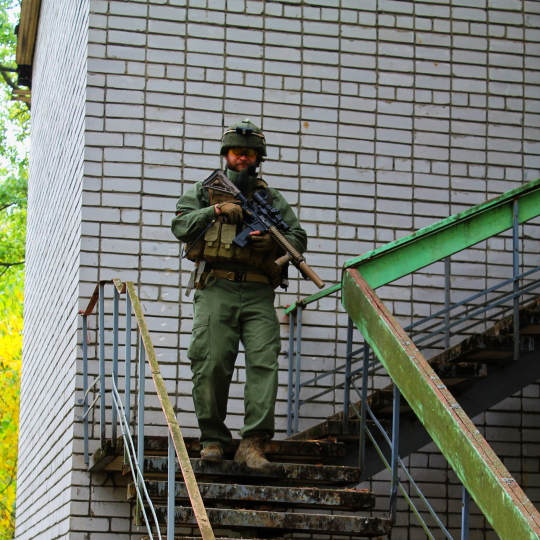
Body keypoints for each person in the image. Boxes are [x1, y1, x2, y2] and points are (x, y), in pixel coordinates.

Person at [171, 119, 307, 471]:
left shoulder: (270, 198)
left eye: (249, 153)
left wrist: (270, 244)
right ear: (226, 154)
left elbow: (297, 238)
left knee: (264, 362)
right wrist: (215, 210)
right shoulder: (204, 191)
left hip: (259, 289)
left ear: (258, 157)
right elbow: (180, 225)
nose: (243, 157)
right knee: (211, 361)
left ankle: (253, 444)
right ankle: (213, 440)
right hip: (217, 286)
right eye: (236, 151)